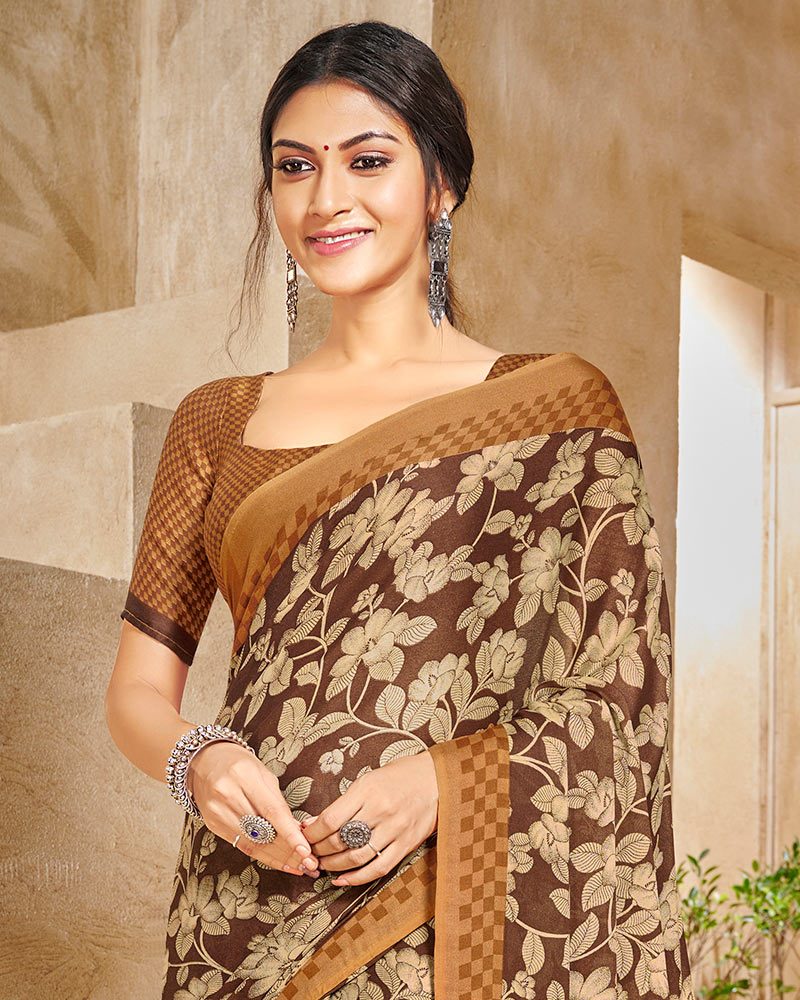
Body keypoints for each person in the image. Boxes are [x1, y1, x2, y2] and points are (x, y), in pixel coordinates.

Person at [105, 19, 696, 1000]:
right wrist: (197, 760)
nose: (325, 198)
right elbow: (135, 691)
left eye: (367, 161)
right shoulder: (219, 420)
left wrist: (444, 782)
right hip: (246, 904)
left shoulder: (553, 409)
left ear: (440, 184)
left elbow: (618, 689)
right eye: (295, 166)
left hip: (443, 909)